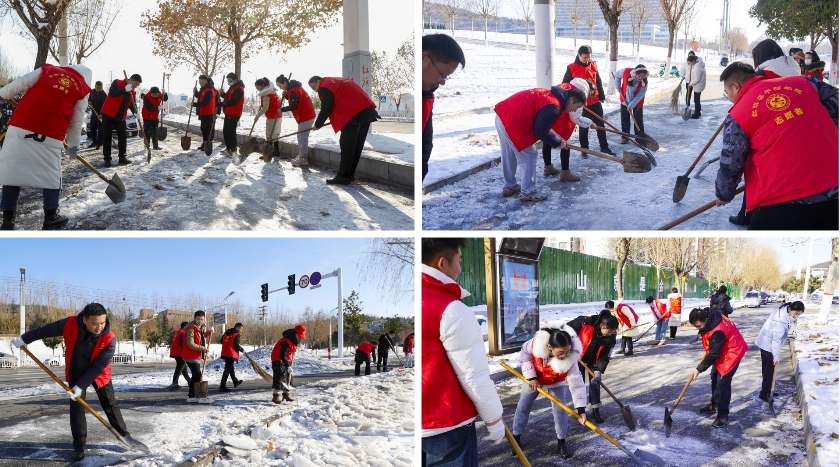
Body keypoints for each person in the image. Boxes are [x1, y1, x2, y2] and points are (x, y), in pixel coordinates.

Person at [714, 61, 838, 230]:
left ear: (735, 86)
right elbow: (835, 98)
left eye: (726, 92)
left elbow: (731, 163)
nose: (728, 97)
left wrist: (723, 194)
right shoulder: (802, 82)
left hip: (782, 200)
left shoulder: (739, 114)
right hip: (834, 191)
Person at [422, 238, 505, 466]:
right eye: (459, 260)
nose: (461, 268)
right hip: (447, 425)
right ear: (442, 263)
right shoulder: (450, 308)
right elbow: (473, 375)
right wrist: (494, 419)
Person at [11, 303, 128, 461]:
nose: (100, 327)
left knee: (109, 403)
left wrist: (81, 386)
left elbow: (98, 366)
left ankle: (124, 435)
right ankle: (79, 445)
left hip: (99, 373)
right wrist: (24, 339)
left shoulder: (109, 338)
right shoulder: (70, 324)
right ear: (84, 320)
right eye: (95, 323)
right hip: (76, 370)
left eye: (103, 322)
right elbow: (44, 331)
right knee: (77, 408)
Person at [0, 63, 92, 231]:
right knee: (51, 175)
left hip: (21, 125)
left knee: (12, 171)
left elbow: (21, 82)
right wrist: (72, 149)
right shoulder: (82, 88)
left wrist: (3, 94)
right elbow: (77, 123)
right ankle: (51, 217)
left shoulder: (48, 70)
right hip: (51, 133)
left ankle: (7, 220)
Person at [728, 39, 807, 227]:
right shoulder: (796, 69)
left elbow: (752, 100)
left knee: (755, 169)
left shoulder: (763, 74)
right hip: (798, 127)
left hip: (768, 130)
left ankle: (746, 214)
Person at [494, 85, 587, 201]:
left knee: (509, 153)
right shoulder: (554, 106)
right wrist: (558, 143)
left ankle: (510, 186)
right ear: (571, 100)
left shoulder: (551, 95)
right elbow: (540, 131)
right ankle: (527, 193)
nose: (575, 110)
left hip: (502, 115)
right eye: (577, 106)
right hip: (512, 121)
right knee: (529, 155)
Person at [510, 326, 588, 459]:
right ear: (549, 347)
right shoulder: (535, 344)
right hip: (534, 379)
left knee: (560, 411)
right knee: (523, 406)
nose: (565, 356)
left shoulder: (571, 356)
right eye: (560, 353)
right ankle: (516, 437)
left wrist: (581, 409)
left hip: (555, 381)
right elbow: (524, 358)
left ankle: (561, 441)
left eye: (567, 351)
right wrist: (532, 377)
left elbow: (576, 382)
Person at [309, 76, 380, 185]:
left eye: (314, 87)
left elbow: (326, 107)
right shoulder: (335, 82)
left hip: (353, 114)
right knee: (355, 146)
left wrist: (318, 124)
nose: (316, 90)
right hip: (366, 112)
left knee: (347, 145)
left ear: (318, 81)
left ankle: (343, 176)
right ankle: (349, 175)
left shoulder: (324, 86)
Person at [689, 308, 748, 428]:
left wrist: (699, 368)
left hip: (732, 351)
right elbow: (714, 349)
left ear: (706, 319)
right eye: (695, 326)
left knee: (723, 383)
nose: (698, 328)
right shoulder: (708, 315)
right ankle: (714, 404)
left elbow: (714, 354)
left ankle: (723, 415)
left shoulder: (718, 331)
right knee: (714, 376)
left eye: (699, 326)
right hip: (722, 349)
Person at [421, 34, 465, 181]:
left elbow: (425, 144)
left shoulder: (427, 96)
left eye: (446, 77)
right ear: (423, 58)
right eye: (442, 74)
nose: (442, 83)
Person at [561, 45, 616, 158]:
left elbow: (598, 80)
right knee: (584, 126)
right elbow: (565, 85)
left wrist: (601, 95)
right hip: (581, 103)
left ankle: (604, 147)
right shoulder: (571, 67)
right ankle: (584, 150)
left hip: (594, 100)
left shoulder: (593, 64)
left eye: (589, 57)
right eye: (584, 57)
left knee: (600, 123)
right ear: (579, 55)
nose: (587, 60)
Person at [566, 308, 618, 424]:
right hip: (577, 357)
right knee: (579, 383)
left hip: (594, 360)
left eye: (613, 332)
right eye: (609, 332)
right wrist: (569, 349)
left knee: (595, 383)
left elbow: (605, 355)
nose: (611, 334)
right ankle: (581, 410)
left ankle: (595, 410)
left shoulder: (611, 337)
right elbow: (565, 332)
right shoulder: (584, 323)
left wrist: (599, 370)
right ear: (601, 326)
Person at [541, 78, 596, 181]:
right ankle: (565, 173)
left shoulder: (566, 85)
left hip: (550, 116)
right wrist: (590, 123)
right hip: (560, 120)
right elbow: (575, 118)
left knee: (547, 141)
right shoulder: (580, 95)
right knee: (566, 144)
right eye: (591, 93)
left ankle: (548, 168)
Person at [755, 301, 803, 403]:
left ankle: (768, 390)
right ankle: (764, 394)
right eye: (796, 313)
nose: (797, 316)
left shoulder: (784, 310)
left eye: (799, 314)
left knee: (769, 370)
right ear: (790, 309)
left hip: (767, 342)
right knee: (768, 371)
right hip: (767, 345)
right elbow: (776, 341)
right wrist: (776, 357)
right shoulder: (780, 321)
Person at [100, 73, 142, 167]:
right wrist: (124, 90)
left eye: (137, 85)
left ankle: (122, 157)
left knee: (122, 136)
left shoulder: (133, 92)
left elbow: (132, 104)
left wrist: (136, 113)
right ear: (131, 80)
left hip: (120, 117)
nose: (136, 86)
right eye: (136, 84)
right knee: (107, 136)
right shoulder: (117, 82)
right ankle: (107, 159)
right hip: (108, 114)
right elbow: (112, 93)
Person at [277, 74, 317, 166]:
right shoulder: (294, 89)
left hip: (306, 115)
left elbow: (294, 105)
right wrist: (287, 96)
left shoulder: (293, 90)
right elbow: (294, 99)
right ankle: (302, 155)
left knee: (302, 137)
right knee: (301, 136)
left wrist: (281, 109)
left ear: (285, 82)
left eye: (280, 86)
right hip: (306, 114)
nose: (280, 88)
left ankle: (303, 158)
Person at [182, 310, 213, 403]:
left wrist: (209, 332)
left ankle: (192, 395)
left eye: (202, 319)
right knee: (197, 375)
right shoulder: (191, 329)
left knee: (196, 376)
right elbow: (190, 344)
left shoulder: (199, 328)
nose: (200, 321)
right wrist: (203, 349)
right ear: (194, 318)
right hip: (190, 355)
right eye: (198, 319)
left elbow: (201, 337)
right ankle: (196, 395)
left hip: (195, 355)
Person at [271, 324, 306, 404]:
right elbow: (282, 355)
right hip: (277, 358)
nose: (300, 337)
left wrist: (289, 362)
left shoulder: (295, 340)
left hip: (287, 359)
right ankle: (275, 396)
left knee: (288, 376)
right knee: (279, 376)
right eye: (299, 335)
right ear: (295, 332)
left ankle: (286, 394)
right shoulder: (286, 341)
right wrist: (287, 365)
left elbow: (291, 351)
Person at [614, 65, 648, 141]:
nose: (640, 78)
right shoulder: (626, 72)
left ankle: (639, 137)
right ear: (635, 72)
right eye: (639, 75)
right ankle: (625, 136)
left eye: (642, 76)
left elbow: (639, 96)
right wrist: (618, 86)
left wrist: (631, 105)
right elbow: (617, 75)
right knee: (624, 118)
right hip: (625, 98)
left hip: (637, 102)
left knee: (638, 119)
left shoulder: (644, 83)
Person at [254, 77, 281, 158]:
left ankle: (268, 154)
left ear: (263, 85)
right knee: (275, 134)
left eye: (259, 87)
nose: (258, 89)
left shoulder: (266, 94)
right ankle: (276, 151)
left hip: (272, 116)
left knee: (269, 135)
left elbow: (266, 108)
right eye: (256, 88)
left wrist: (257, 115)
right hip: (278, 115)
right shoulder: (272, 91)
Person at [219, 72, 245, 156]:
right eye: (228, 81)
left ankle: (233, 150)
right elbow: (228, 97)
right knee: (226, 131)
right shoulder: (232, 88)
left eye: (230, 81)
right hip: (228, 112)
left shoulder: (238, 89)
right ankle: (228, 148)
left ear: (235, 80)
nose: (229, 83)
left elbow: (233, 101)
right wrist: (223, 94)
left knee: (231, 132)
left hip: (234, 113)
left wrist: (222, 103)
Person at [192, 75, 218, 154]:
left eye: (202, 82)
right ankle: (204, 143)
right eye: (200, 82)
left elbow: (205, 102)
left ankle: (208, 144)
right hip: (203, 112)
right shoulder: (203, 90)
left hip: (208, 112)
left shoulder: (210, 90)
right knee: (203, 128)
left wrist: (195, 104)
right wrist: (195, 92)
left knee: (207, 129)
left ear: (206, 81)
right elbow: (199, 97)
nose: (201, 84)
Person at [219, 323, 245, 392]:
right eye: (241, 329)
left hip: (225, 353)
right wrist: (242, 350)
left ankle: (235, 381)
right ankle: (222, 386)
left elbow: (221, 341)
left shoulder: (225, 333)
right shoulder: (236, 334)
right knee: (227, 370)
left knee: (231, 368)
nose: (241, 331)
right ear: (237, 327)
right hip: (231, 354)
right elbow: (236, 345)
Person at [166, 321, 192, 391]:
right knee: (179, 368)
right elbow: (183, 343)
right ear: (185, 327)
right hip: (180, 353)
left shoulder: (177, 332)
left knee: (183, 368)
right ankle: (174, 383)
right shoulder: (183, 332)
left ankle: (189, 381)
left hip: (175, 353)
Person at [87, 80, 106, 149]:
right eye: (97, 88)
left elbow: (104, 106)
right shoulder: (92, 92)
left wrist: (101, 114)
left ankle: (99, 143)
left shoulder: (104, 95)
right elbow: (89, 98)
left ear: (102, 87)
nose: (98, 89)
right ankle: (94, 142)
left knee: (100, 129)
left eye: (100, 88)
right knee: (92, 128)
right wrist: (89, 101)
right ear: (95, 86)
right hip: (93, 114)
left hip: (100, 114)